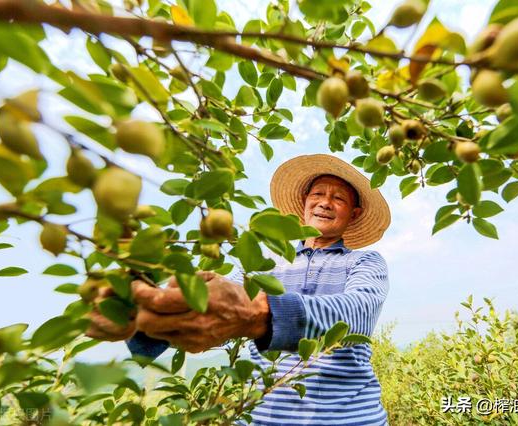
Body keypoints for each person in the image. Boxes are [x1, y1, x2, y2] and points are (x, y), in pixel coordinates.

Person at [86, 153, 392, 425]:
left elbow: (357, 312)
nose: (325, 202)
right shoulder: (266, 259)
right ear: (304, 203)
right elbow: (217, 308)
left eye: (338, 198)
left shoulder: (364, 261)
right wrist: (144, 314)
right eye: (318, 193)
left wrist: (260, 313)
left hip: (351, 418)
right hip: (264, 417)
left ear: (353, 213)